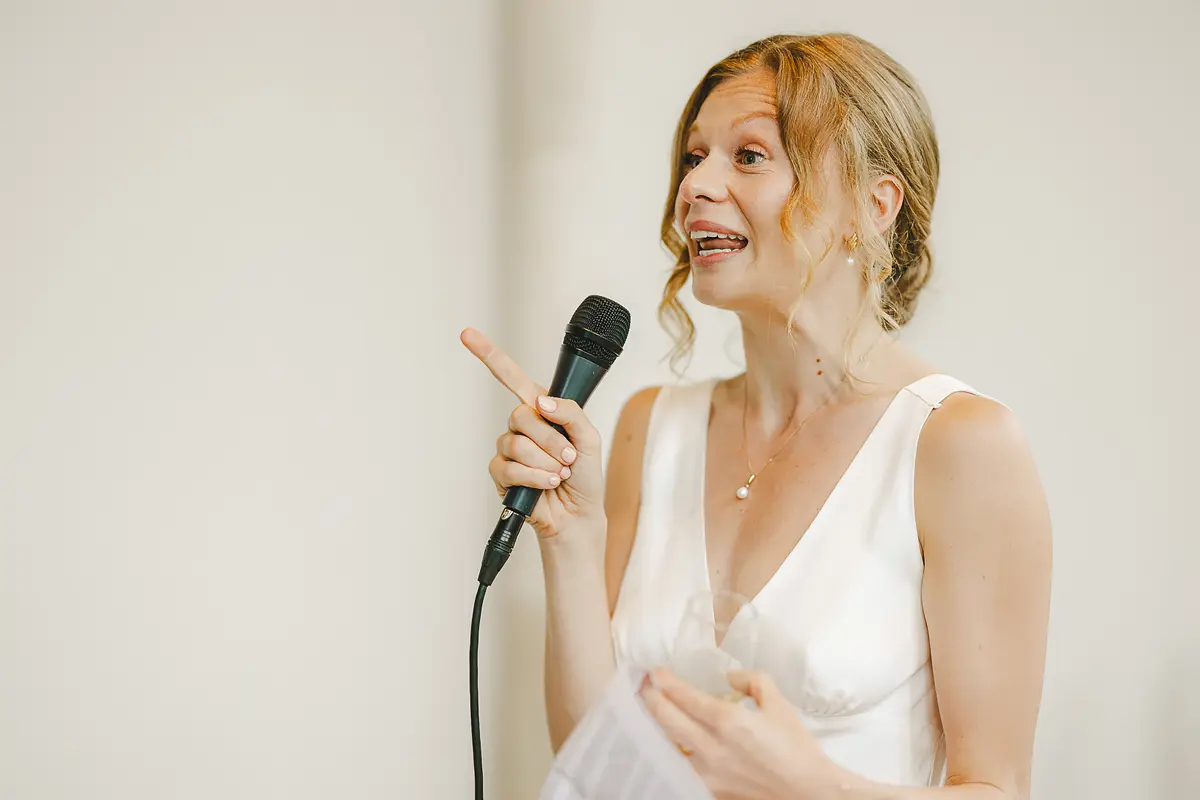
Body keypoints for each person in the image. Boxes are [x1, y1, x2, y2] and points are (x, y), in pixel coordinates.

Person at [461, 32, 1051, 798]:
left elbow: (999, 787)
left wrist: (808, 786)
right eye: (694, 155)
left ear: (874, 207)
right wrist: (571, 540)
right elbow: (593, 758)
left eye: (749, 156)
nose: (697, 185)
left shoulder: (961, 445)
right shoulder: (652, 428)